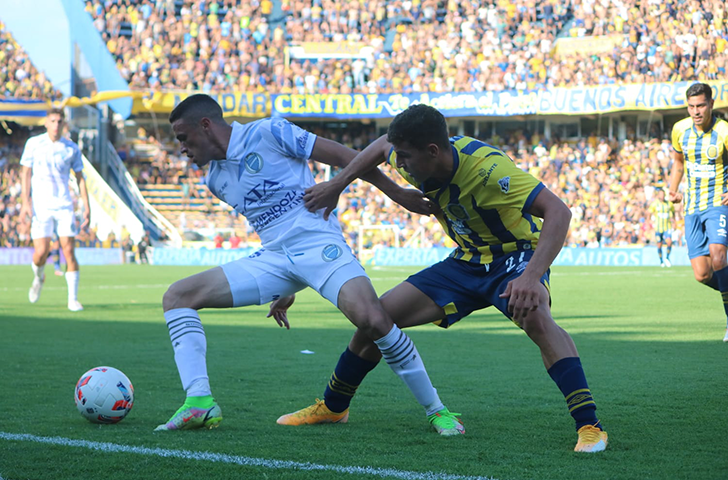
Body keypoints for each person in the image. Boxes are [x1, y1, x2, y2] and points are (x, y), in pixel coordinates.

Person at [276, 104, 608, 453]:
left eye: (404, 157)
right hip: (465, 261)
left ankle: (590, 425)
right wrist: (354, 187)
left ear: (433, 151)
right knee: (376, 320)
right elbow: (377, 148)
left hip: (514, 254)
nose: (399, 163)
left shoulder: (488, 169)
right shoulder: (412, 154)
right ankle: (333, 407)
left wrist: (531, 276)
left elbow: (559, 211)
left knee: (535, 315)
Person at [155, 94, 463, 436]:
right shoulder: (215, 180)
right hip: (274, 258)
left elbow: (347, 156)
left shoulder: (268, 132)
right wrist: (284, 285)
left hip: (319, 244)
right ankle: (198, 402)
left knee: (373, 321)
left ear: (206, 125)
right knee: (177, 297)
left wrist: (396, 192)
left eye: (183, 138)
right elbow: (270, 227)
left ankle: (437, 411)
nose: (181, 148)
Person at [668, 82, 728, 342]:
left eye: (701, 105)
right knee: (703, 273)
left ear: (711, 104)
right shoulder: (679, 130)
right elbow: (678, 162)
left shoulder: (724, 131)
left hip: (718, 204)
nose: (696, 111)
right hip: (692, 207)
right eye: (691, 106)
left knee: (719, 257)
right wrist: (672, 190)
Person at [19, 108, 90, 311]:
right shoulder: (34, 144)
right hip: (41, 206)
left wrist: (86, 206)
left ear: (64, 124)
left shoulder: (71, 148)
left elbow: (80, 178)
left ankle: (73, 299)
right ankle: (39, 277)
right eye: (53, 121)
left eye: (60, 121)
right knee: (41, 253)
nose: (56, 125)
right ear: (46, 123)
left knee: (68, 250)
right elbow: (25, 173)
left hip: (64, 205)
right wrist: (25, 202)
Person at [649, 189, 674, 267]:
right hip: (658, 228)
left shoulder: (669, 204)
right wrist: (649, 223)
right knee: (659, 245)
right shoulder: (654, 204)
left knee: (669, 242)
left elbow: (673, 212)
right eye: (660, 194)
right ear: (658, 195)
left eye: (663, 194)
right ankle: (661, 261)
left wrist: (674, 222)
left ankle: (667, 257)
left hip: (667, 227)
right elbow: (649, 213)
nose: (662, 196)